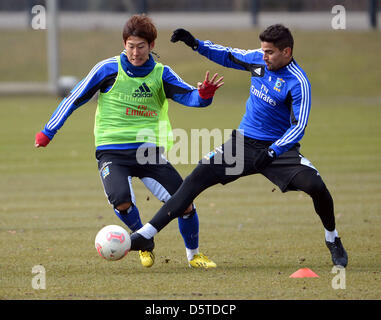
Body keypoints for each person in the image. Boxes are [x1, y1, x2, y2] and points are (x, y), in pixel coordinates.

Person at [128, 24, 348, 268]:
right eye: (263, 50)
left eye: (270, 52)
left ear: (287, 52)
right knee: (195, 179)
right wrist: (195, 44)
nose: (264, 56)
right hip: (242, 144)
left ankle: (332, 238)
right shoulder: (257, 61)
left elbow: (299, 127)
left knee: (315, 185)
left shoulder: (297, 82)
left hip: (277, 150)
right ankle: (145, 235)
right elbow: (228, 55)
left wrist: (274, 151)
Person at [34, 14, 224, 269]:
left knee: (185, 203)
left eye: (141, 47)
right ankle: (143, 242)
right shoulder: (107, 69)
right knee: (121, 201)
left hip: (148, 152)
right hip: (111, 151)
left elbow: (190, 97)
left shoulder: (161, 73)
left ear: (152, 46)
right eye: (130, 46)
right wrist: (48, 131)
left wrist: (204, 95)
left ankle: (194, 255)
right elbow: (74, 97)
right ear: (124, 44)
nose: (135, 52)